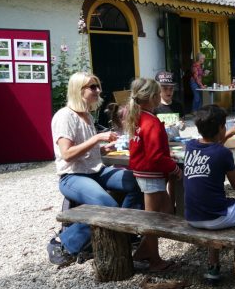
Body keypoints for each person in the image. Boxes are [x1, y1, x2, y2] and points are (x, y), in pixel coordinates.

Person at [49, 72, 142, 265]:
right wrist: (97, 139)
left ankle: (124, 232)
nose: (98, 90)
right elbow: (66, 154)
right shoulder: (65, 116)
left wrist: (102, 147)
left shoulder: (86, 115)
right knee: (107, 206)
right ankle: (62, 244)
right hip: (72, 176)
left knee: (138, 181)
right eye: (92, 87)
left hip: (96, 171)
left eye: (97, 86)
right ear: (78, 90)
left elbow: (85, 148)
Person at [183, 104, 235, 283]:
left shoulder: (190, 146)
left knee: (212, 208)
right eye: (225, 126)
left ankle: (213, 268)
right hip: (215, 218)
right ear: (220, 127)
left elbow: (210, 150)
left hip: (192, 216)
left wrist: (228, 134)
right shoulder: (223, 153)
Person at [126, 77, 182, 272]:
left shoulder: (137, 117)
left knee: (166, 213)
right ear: (151, 97)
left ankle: (143, 253)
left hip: (143, 171)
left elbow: (148, 149)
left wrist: (166, 154)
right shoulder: (151, 121)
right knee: (154, 219)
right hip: (151, 174)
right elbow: (156, 157)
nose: (161, 96)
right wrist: (175, 169)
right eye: (158, 93)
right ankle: (154, 260)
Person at [153, 70, 185, 211]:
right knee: (163, 177)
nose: (168, 91)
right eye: (165, 88)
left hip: (176, 144)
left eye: (171, 88)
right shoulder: (154, 107)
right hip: (161, 146)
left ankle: (173, 207)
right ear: (158, 89)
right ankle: (164, 208)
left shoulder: (178, 105)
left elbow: (182, 123)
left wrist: (182, 125)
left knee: (175, 177)